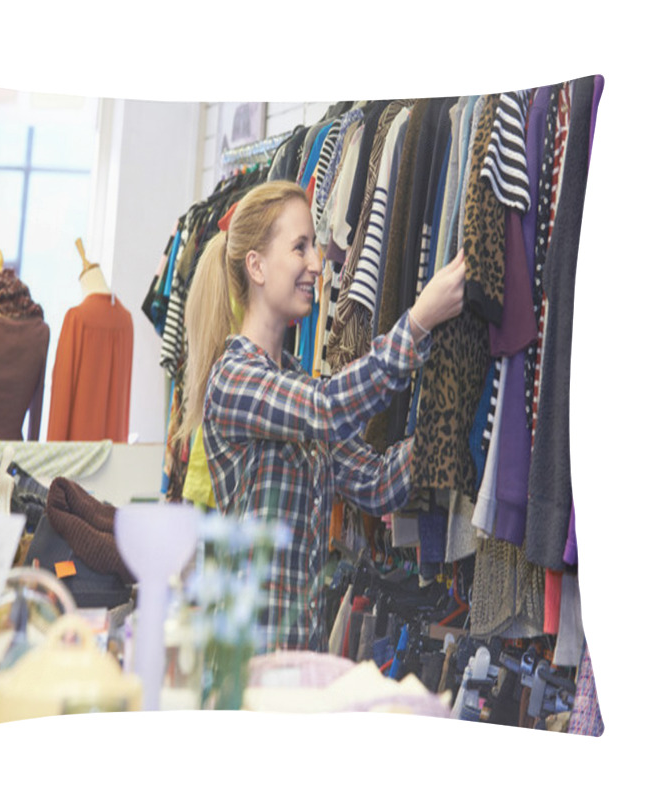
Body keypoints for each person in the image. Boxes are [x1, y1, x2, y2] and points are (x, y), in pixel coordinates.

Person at [180, 179, 465, 653]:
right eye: (300, 247)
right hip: (245, 669)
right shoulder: (234, 379)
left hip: (295, 659)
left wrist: (452, 417)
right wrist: (417, 321)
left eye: (313, 246)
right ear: (257, 266)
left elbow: (375, 484)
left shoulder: (293, 380)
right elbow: (330, 409)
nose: (317, 264)